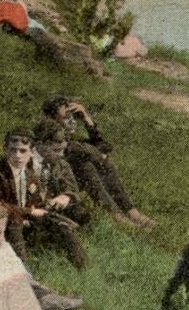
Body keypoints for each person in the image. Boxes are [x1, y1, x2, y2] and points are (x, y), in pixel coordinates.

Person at [40, 95, 154, 229]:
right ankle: (117, 216)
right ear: (52, 120)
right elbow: (98, 153)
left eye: (74, 116)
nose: (72, 121)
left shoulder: (70, 138)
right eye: (66, 117)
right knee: (86, 167)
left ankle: (131, 212)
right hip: (52, 187)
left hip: (70, 180)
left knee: (103, 164)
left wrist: (86, 118)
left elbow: (105, 146)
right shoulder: (50, 139)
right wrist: (99, 156)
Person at [0, 128, 86, 269]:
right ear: (5, 150)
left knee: (63, 226)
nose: (18, 156)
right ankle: (25, 273)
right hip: (4, 221)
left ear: (31, 152)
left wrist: (47, 207)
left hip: (25, 217)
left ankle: (84, 267)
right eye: (13, 150)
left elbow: (35, 202)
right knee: (15, 224)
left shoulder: (29, 172)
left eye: (23, 151)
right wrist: (28, 212)